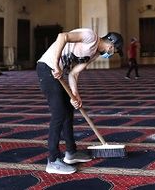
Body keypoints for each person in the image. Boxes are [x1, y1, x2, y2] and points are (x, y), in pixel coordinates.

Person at [37, 28, 123, 175]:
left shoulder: (94, 54)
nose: (111, 54)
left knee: (68, 112)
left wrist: (75, 95)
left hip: (60, 74)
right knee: (59, 114)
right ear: (111, 45)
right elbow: (62, 36)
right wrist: (56, 63)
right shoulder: (90, 36)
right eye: (114, 51)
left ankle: (71, 153)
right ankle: (52, 160)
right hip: (47, 68)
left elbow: (74, 73)